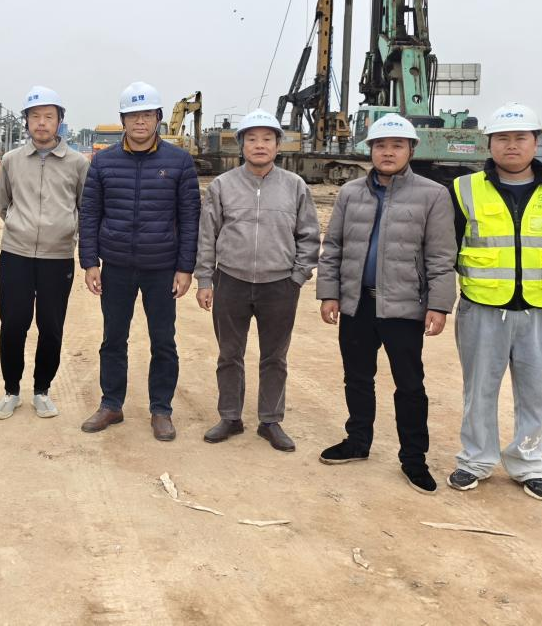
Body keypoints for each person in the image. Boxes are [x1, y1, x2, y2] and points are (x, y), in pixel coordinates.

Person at [446, 103, 542, 501]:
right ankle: (475, 461)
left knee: (536, 395)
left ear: (535, 142)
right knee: (479, 391)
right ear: (489, 144)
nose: (511, 145)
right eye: (502, 138)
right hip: (483, 307)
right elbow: (451, 245)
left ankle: (528, 464)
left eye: (521, 137)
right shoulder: (464, 189)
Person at [316, 113, 457, 494]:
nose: (388, 152)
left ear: (411, 149)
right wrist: (329, 293)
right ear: (370, 151)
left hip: (404, 307)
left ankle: (413, 458)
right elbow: (334, 248)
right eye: (380, 145)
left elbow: (441, 256)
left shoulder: (432, 195)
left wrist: (439, 304)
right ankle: (357, 441)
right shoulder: (350, 193)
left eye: (397, 145)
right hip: (357, 304)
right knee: (357, 377)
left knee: (409, 385)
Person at [78, 82, 200, 441]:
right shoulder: (103, 162)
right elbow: (90, 214)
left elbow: (190, 218)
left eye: (147, 114)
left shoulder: (179, 162)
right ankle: (111, 404)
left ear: (158, 117)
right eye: (133, 116)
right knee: (113, 338)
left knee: (163, 341)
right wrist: (90, 262)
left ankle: (161, 410)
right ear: (123, 120)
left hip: (161, 267)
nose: (140, 122)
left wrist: (185, 267)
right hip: (116, 266)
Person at [194, 109, 320, 452]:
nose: (259, 145)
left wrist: (297, 276)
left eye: (267, 139)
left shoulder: (294, 186)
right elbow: (207, 236)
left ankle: (270, 420)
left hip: (279, 285)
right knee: (229, 354)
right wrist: (205, 279)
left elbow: (309, 236)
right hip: (230, 281)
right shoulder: (223, 185)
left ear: (278, 145)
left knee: (275, 356)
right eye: (252, 139)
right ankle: (230, 416)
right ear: (242, 145)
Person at [0, 86, 90, 421]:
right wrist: (20, 226)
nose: (42, 123)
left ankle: (41, 390)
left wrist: (65, 234)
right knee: (13, 325)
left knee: (51, 327)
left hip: (57, 258)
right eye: (35, 117)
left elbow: (84, 207)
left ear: (60, 121)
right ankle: (11, 391)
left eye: (49, 116)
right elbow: (4, 205)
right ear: (26, 121)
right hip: (15, 256)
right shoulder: (11, 161)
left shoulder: (77, 163)